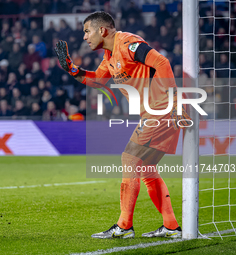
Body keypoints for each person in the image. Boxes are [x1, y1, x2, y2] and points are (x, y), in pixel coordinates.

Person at [55, 11, 190, 239]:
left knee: (129, 159)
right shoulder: (109, 55)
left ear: (102, 30)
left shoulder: (128, 43)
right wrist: (71, 68)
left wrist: (176, 103)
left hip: (162, 110)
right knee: (146, 170)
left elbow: (162, 62)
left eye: (87, 31)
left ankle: (124, 226)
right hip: (153, 112)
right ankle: (171, 226)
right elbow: (97, 80)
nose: (85, 37)